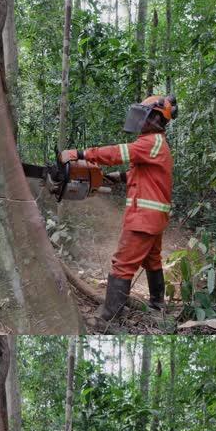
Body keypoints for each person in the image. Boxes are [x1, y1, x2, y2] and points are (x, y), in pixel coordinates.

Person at [61, 95, 177, 327]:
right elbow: (147, 174)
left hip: (143, 218)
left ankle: (109, 318)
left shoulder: (150, 142)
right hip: (154, 218)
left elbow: (117, 154)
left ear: (154, 118)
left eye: (142, 116)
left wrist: (80, 154)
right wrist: (120, 177)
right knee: (152, 261)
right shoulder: (155, 144)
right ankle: (157, 305)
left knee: (123, 264)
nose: (138, 121)